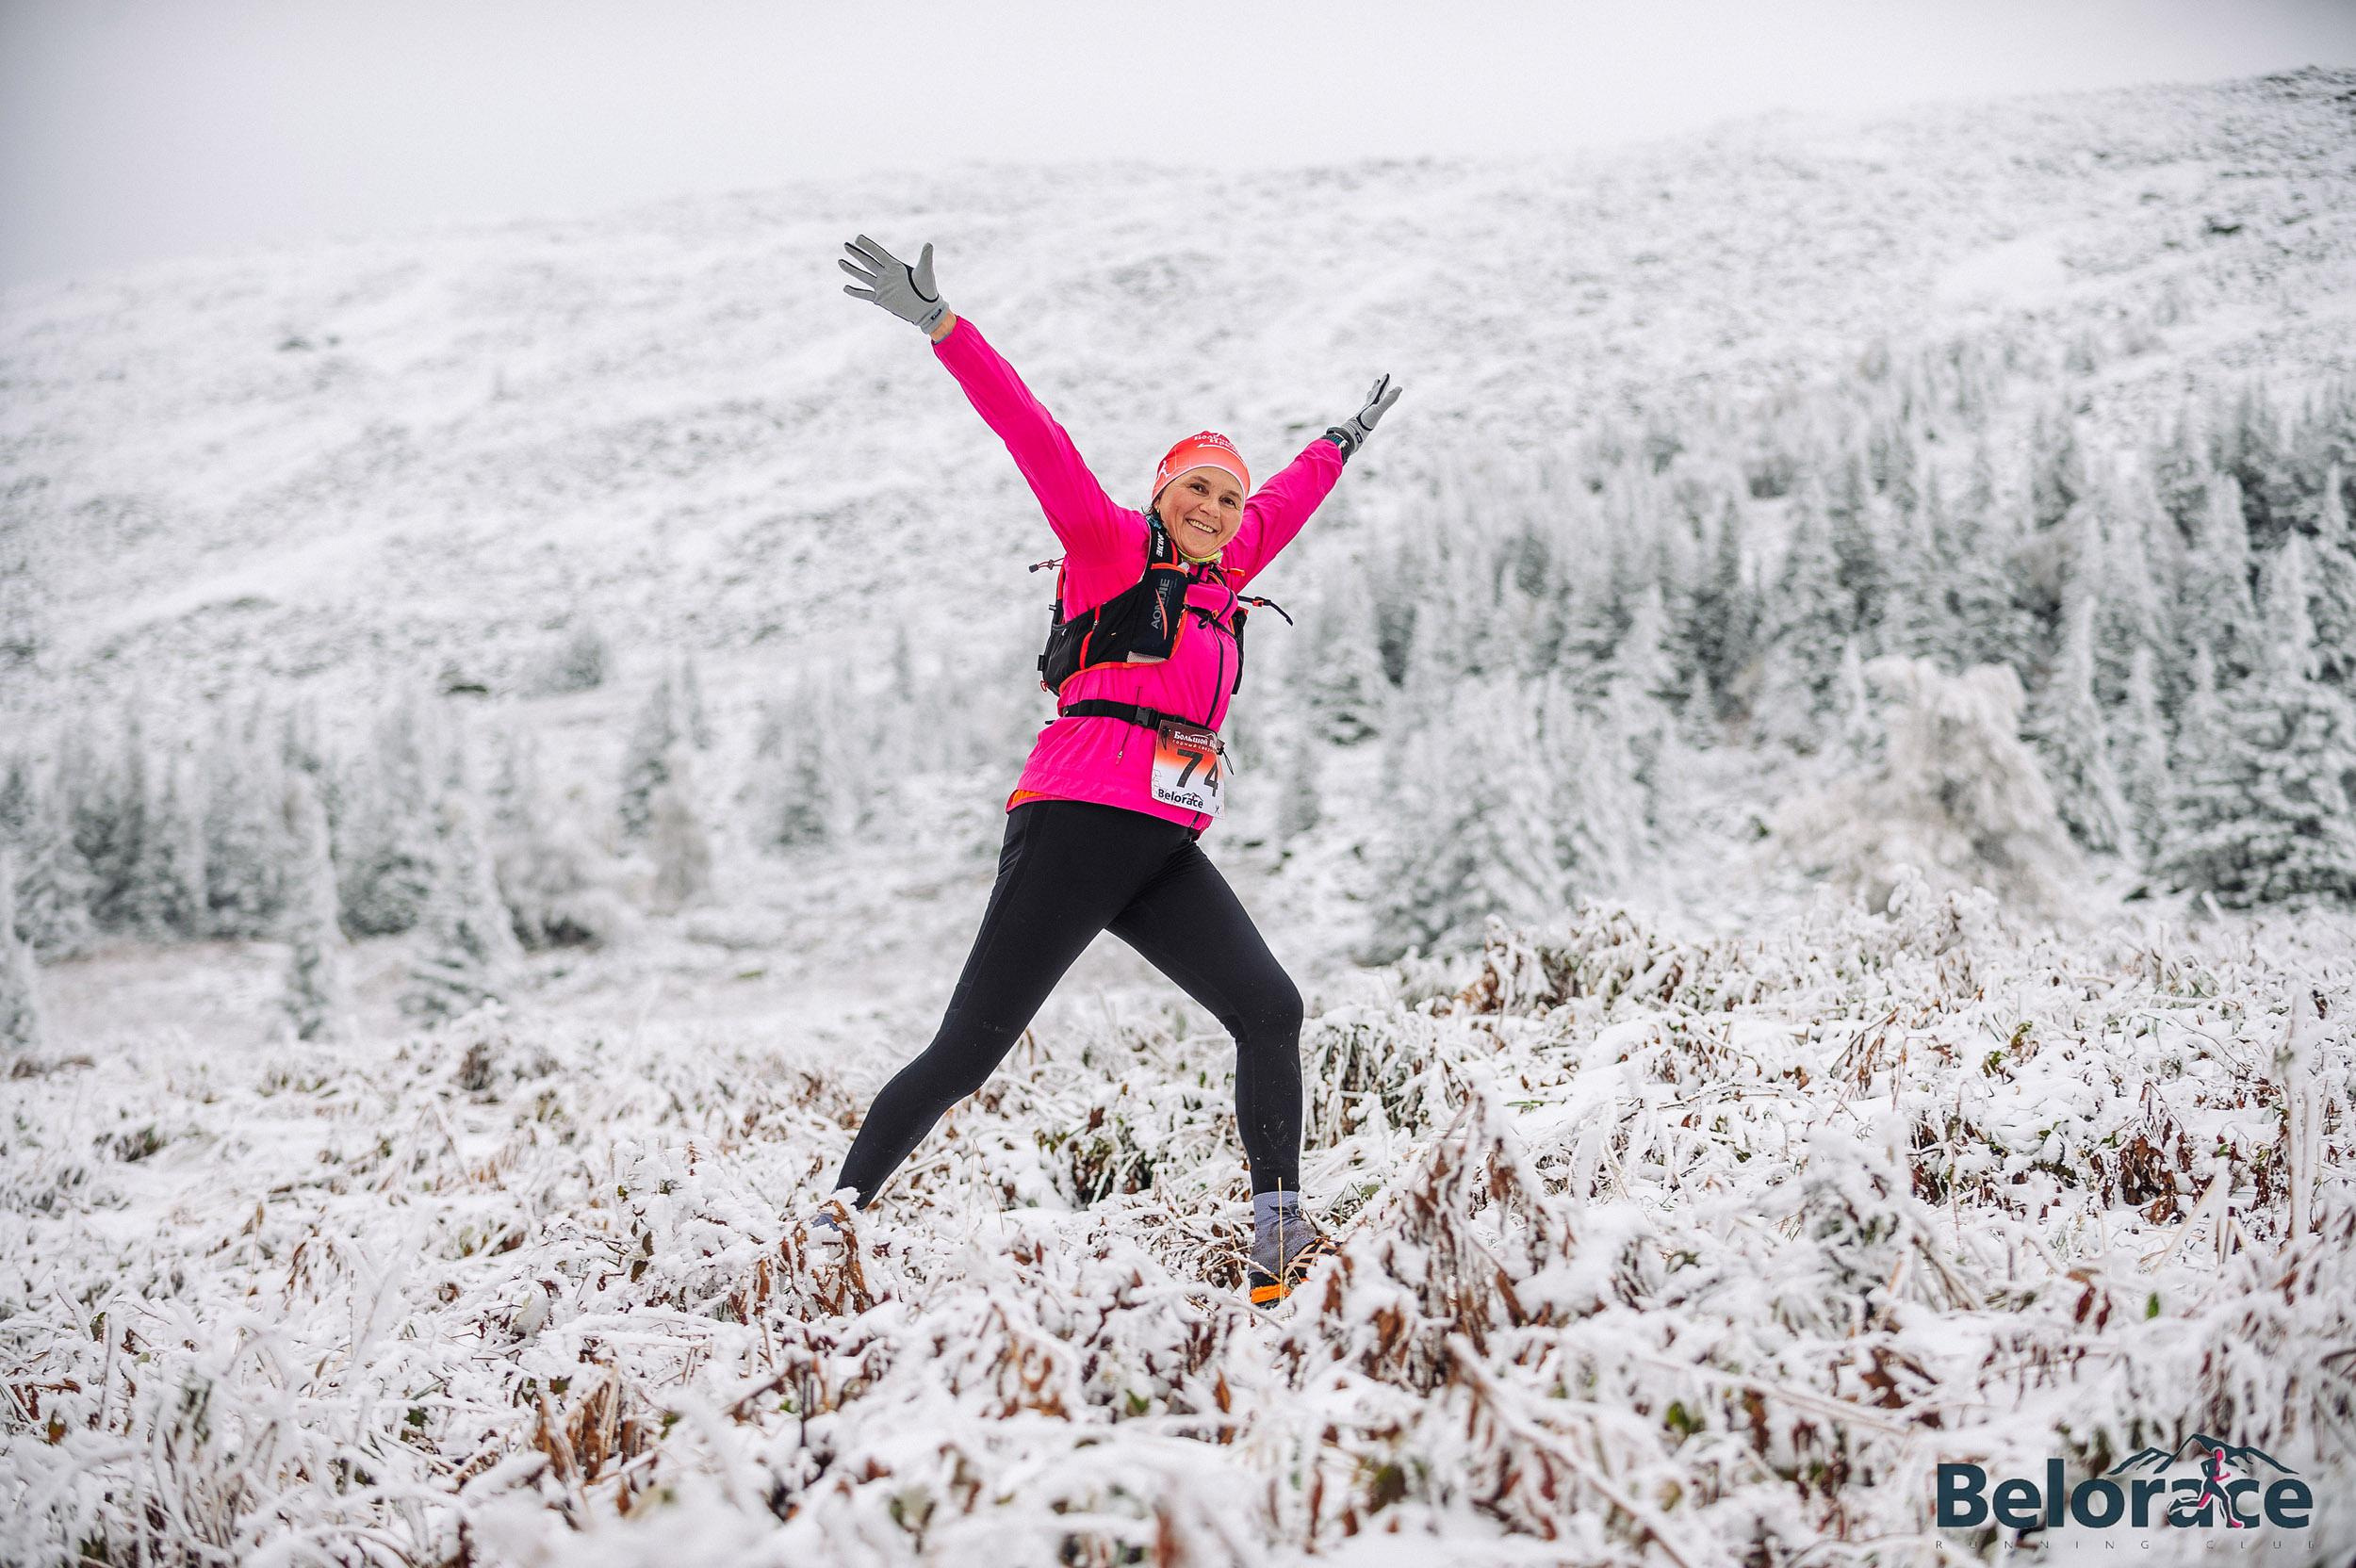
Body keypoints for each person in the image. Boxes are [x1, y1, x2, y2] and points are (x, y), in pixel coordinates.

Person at [813, 235, 1401, 1307]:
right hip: (1078, 820)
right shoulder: (1108, 547)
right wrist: (946, 327)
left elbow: (1290, 501)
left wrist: (1339, 441)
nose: (1218, 511)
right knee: (965, 1055)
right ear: (1162, 493)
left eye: (1228, 499)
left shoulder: (1227, 572)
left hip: (1163, 842)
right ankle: (830, 1220)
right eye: (1198, 492)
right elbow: (1030, 432)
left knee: (1270, 1007)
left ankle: (1279, 1231)